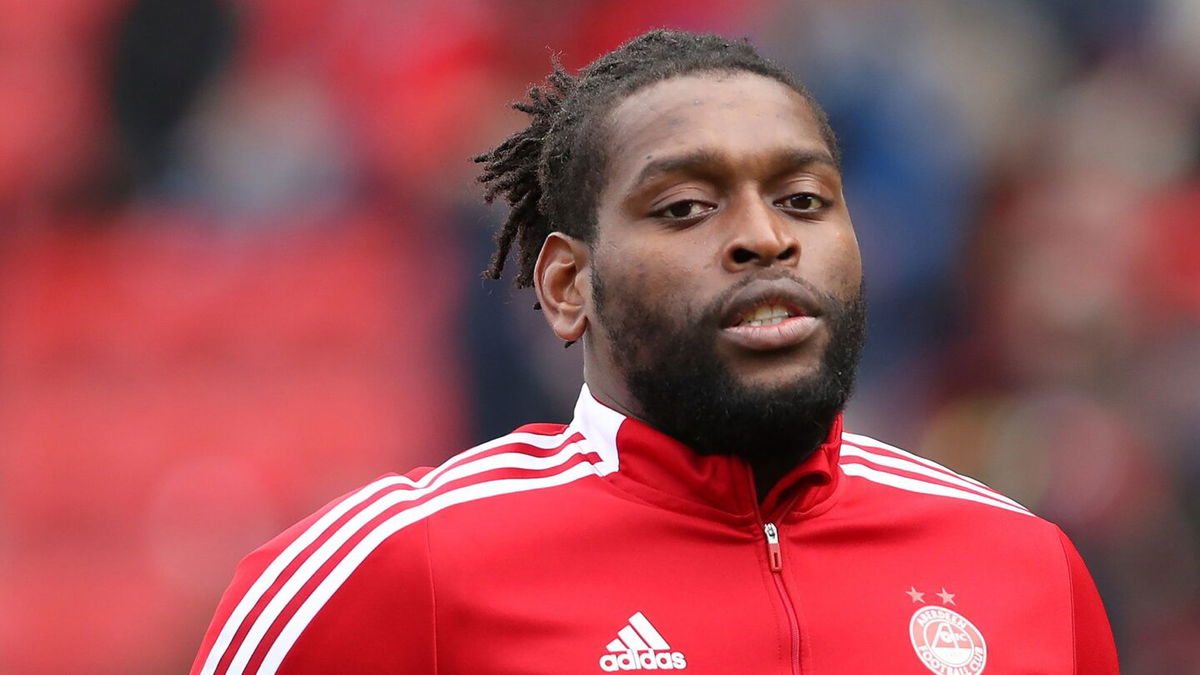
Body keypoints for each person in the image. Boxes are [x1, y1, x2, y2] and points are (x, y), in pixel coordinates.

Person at [191, 29, 1118, 674]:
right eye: (685, 208)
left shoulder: (1023, 564)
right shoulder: (398, 566)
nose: (765, 238)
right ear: (566, 286)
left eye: (804, 200)